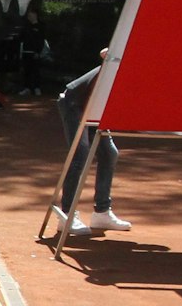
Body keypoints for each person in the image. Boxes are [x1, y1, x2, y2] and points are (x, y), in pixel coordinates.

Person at [56, 51, 131, 237]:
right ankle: (67, 214)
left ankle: (101, 213)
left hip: (96, 107)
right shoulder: (123, 58)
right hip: (74, 103)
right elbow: (105, 52)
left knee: (109, 153)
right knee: (80, 154)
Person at [17, 10, 48, 95]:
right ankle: (27, 88)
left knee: (36, 71)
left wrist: (38, 52)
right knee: (26, 71)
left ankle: (37, 88)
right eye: (28, 16)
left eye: (31, 15)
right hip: (26, 52)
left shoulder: (41, 26)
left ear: (35, 15)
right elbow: (20, 38)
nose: (29, 17)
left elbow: (41, 40)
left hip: (35, 53)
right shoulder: (26, 26)